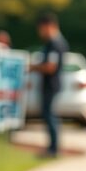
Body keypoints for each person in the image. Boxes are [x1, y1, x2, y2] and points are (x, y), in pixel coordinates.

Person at [31, 12, 66, 157]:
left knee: (50, 116)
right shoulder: (54, 42)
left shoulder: (55, 43)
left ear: (48, 26)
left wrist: (32, 67)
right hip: (50, 85)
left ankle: (53, 149)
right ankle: (52, 147)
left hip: (50, 85)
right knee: (49, 115)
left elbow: (50, 66)